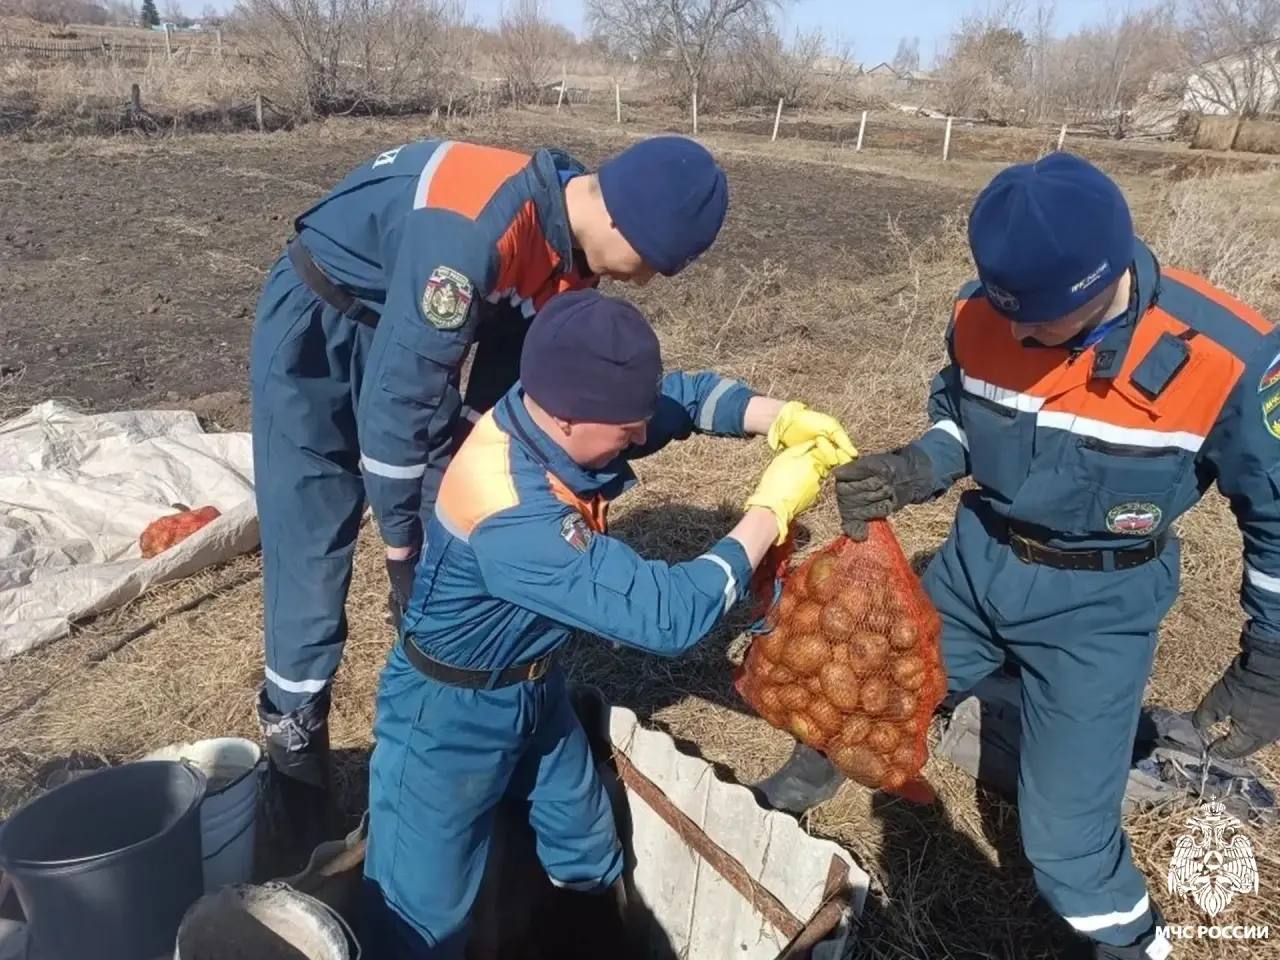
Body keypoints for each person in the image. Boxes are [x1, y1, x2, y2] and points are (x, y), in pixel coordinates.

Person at [760, 152, 1280, 958]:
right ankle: (808, 776)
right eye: (1008, 314)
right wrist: (916, 466)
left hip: (1099, 611)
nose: (1019, 337)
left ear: (1102, 281)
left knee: (1067, 841)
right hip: (977, 569)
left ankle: (1128, 942)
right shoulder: (982, 314)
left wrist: (1268, 666)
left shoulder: (1229, 358)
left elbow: (1276, 519)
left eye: (1040, 322)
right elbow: (960, 418)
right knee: (866, 687)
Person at [249, 133, 731, 851]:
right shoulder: (472, 237)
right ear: (624, 221)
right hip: (324, 321)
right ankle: (295, 751)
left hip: (406, 328)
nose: (647, 284)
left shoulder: (568, 259)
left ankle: (457, 706)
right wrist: (403, 551)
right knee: (311, 535)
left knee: (447, 509)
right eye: (654, 265)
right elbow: (397, 415)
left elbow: (494, 421)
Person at [360, 288, 855, 957]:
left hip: (534, 686)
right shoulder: (511, 511)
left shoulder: (553, 409)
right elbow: (668, 615)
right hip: (446, 716)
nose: (640, 438)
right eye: (626, 431)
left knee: (587, 847)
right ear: (570, 417)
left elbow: (679, 400)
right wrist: (769, 510)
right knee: (421, 919)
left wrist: (779, 418)